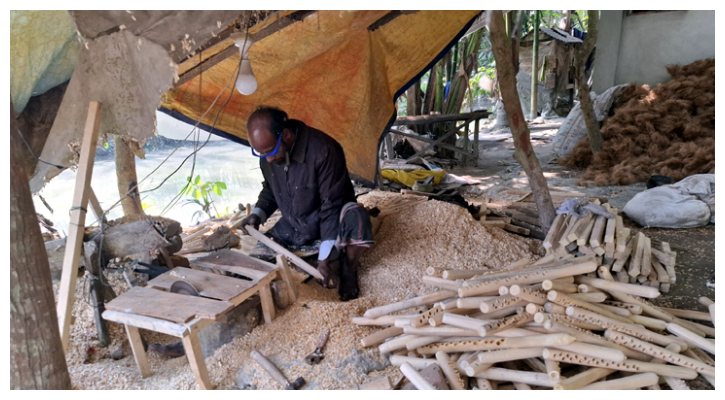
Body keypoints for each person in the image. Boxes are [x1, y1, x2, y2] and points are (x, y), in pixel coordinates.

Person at [238, 106, 374, 301]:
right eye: (260, 154)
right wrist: (257, 214)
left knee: (358, 219)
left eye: (270, 151)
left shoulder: (323, 150)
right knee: (254, 264)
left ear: (286, 135)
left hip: (332, 221)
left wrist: (324, 256)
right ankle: (317, 253)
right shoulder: (268, 156)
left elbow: (331, 206)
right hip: (295, 225)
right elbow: (271, 189)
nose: (268, 158)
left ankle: (349, 270)